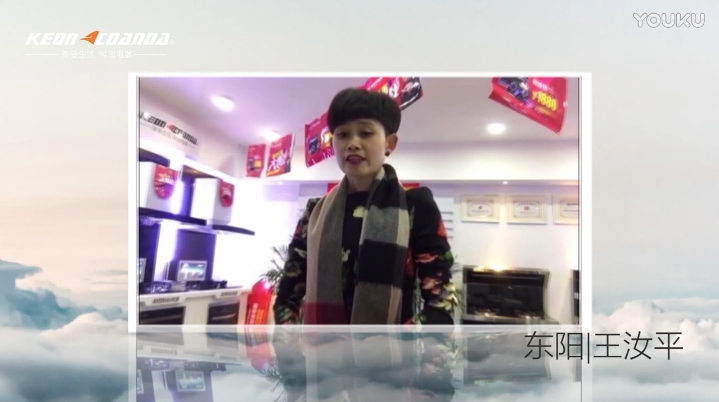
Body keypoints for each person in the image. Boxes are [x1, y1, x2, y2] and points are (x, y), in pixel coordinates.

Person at [273, 87, 458, 325]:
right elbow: (287, 296)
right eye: (343, 134)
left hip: (393, 348)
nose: (353, 143)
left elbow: (441, 298)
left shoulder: (415, 206)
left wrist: (399, 340)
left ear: (389, 143)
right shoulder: (314, 213)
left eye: (366, 133)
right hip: (321, 348)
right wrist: (293, 340)